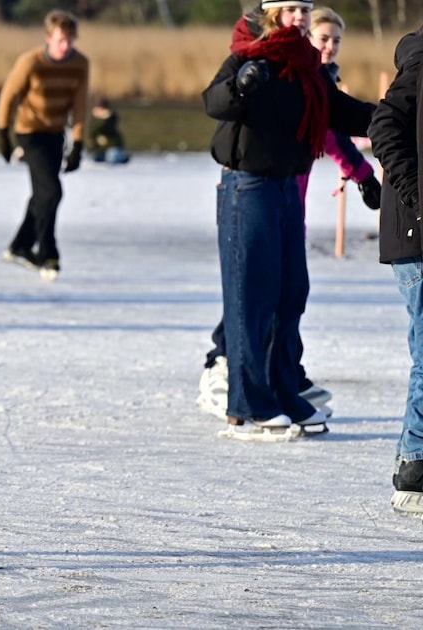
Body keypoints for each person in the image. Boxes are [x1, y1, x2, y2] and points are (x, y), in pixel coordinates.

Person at [196, 4, 379, 421]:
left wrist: (394, 118)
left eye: (304, 9)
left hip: (286, 189)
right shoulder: (249, 53)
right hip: (249, 186)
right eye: (291, 8)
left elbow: (341, 112)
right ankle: (247, 406)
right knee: (252, 300)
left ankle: (283, 392)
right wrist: (241, 85)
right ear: (273, 11)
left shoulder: (306, 66)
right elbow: (213, 102)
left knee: (290, 295)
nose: (299, 16)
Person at [369, 23, 423, 516]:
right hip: (417, 238)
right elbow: (383, 128)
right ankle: (414, 466)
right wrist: (418, 201)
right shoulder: (422, 62)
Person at [0, 10, 89, 282]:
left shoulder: (80, 63)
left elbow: (81, 105)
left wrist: (79, 143)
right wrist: (3, 134)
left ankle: (19, 246)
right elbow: (8, 96)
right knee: (52, 191)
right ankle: (49, 253)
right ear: (49, 38)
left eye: (70, 40)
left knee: (43, 194)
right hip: (30, 133)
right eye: (60, 40)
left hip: (55, 134)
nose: (65, 46)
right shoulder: (31, 62)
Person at [87, 96, 130, 164]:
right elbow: (92, 133)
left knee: (111, 158)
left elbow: (106, 128)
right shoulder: (93, 119)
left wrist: (104, 118)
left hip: (113, 147)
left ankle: (122, 156)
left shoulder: (111, 118)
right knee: (97, 158)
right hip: (101, 149)